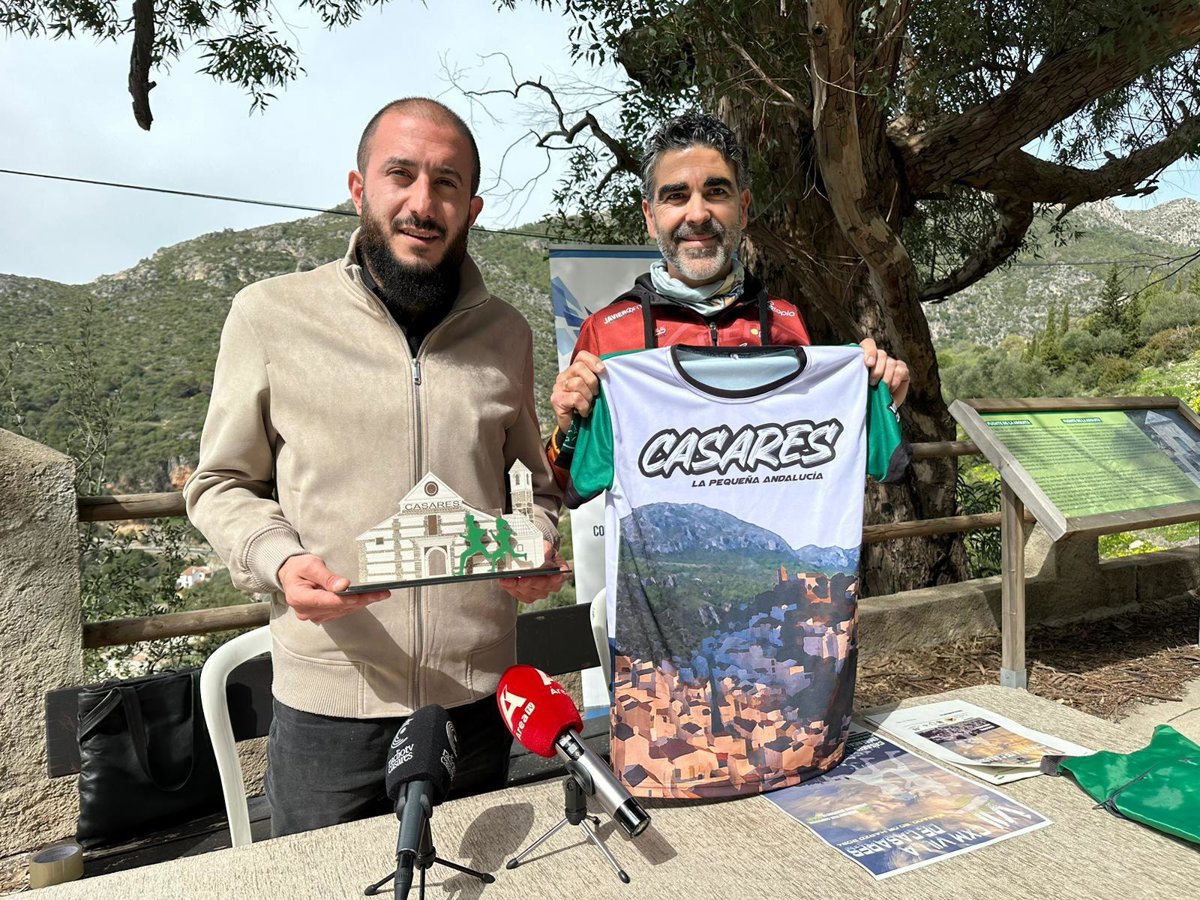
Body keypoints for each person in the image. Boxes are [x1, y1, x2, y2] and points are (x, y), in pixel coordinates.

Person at [184, 98, 566, 837]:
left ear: (472, 208)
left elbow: (534, 487)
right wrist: (279, 560)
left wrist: (535, 545)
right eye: (401, 175)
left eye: (447, 182)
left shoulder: (506, 333)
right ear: (359, 189)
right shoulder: (269, 315)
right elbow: (221, 484)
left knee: (477, 881)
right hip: (328, 711)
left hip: (477, 703)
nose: (423, 203)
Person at [546, 113, 910, 474]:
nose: (698, 214)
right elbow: (565, 483)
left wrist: (875, 399)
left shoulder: (785, 320)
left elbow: (822, 457)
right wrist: (567, 427)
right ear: (650, 217)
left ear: (744, 208)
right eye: (676, 196)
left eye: (716, 192)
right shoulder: (606, 333)